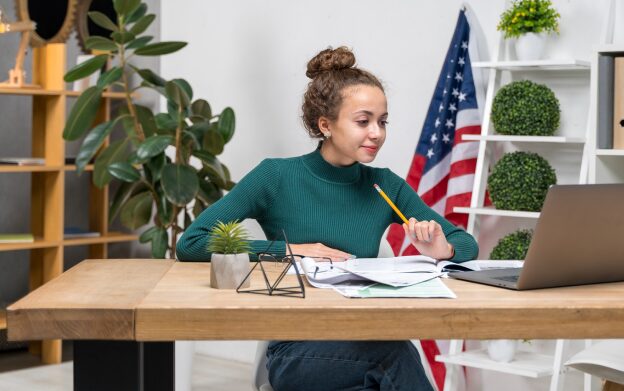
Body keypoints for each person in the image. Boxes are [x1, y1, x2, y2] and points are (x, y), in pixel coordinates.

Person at [176, 46, 479, 390]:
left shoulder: (385, 185)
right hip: (296, 350)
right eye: (363, 121)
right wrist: (291, 250)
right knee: (395, 355)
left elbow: (466, 244)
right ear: (326, 125)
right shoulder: (275, 177)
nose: (377, 132)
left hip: (364, 341)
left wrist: (443, 248)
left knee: (384, 363)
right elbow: (192, 243)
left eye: (382, 121)